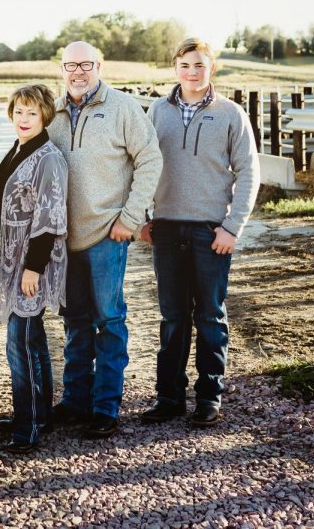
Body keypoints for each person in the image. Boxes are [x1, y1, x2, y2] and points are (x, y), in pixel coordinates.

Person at [140, 37, 260, 427]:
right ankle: (170, 397)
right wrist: (142, 216)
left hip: (212, 232)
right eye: (185, 65)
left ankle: (209, 397)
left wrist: (232, 227)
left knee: (210, 315)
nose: (192, 72)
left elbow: (249, 173)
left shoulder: (231, 114)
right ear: (175, 67)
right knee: (173, 317)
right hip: (167, 227)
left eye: (199, 65)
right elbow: (139, 165)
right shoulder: (157, 110)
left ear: (212, 69)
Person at [47, 41, 163, 438]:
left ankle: (106, 407)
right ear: (61, 69)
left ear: (100, 65)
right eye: (69, 65)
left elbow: (150, 159)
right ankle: (75, 401)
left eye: (85, 64)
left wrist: (130, 218)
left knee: (108, 321)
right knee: (75, 323)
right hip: (65, 239)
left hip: (107, 235)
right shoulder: (55, 112)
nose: (77, 72)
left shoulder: (123, 108)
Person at [0, 84, 68, 454]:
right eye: (18, 112)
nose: (23, 119)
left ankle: (27, 426)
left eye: (32, 114)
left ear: (45, 117)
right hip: (12, 262)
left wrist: (33, 269)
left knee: (18, 345)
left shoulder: (48, 158)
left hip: (30, 264)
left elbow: (50, 218)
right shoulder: (19, 149)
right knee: (31, 339)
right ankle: (41, 414)